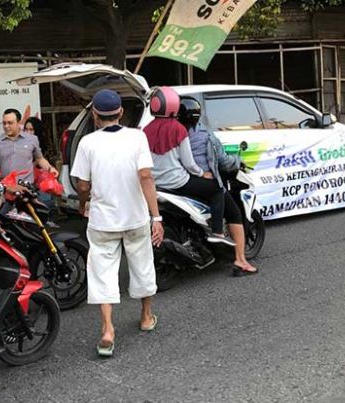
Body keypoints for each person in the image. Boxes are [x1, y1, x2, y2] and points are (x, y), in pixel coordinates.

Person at [70, 89, 163, 357]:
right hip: (135, 217)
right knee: (143, 264)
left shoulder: (87, 143)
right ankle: (146, 317)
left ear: (95, 115)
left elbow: (83, 184)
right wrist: (156, 217)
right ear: (121, 112)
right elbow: (146, 176)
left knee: (102, 273)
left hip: (103, 221)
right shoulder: (137, 137)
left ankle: (108, 330)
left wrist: (82, 202)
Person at [143, 87, 234, 246]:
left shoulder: (145, 130)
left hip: (155, 185)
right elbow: (189, 164)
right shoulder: (178, 129)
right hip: (178, 183)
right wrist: (202, 173)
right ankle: (218, 232)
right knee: (217, 189)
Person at [180, 98, 258, 276]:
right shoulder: (205, 134)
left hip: (180, 182)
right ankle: (240, 260)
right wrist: (238, 161)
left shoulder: (174, 132)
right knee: (234, 213)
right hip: (204, 182)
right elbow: (223, 161)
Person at [0, 108, 58, 183]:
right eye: (4, 123)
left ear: (18, 123)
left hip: (27, 186)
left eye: (10, 123)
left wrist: (50, 168)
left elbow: (40, 159)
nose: (6, 126)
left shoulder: (32, 139)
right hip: (6, 186)